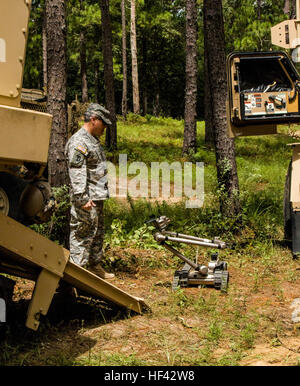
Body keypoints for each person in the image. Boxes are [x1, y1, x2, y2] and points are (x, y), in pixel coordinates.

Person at [65, 103, 114, 279]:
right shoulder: (79, 142)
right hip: (86, 198)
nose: (106, 128)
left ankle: (94, 267)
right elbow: (77, 172)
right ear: (93, 120)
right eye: (104, 123)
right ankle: (78, 274)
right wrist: (82, 197)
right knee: (82, 234)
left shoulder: (92, 140)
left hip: (96, 196)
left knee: (96, 233)